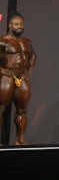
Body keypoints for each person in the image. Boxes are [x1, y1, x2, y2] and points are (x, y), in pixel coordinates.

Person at [0, 13, 36, 145]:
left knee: (22, 110)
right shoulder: (2, 41)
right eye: (16, 24)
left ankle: (20, 139)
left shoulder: (26, 42)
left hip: (22, 76)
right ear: (10, 25)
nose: (19, 26)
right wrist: (1, 70)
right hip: (7, 77)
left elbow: (33, 57)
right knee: (0, 109)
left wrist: (29, 71)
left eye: (21, 24)